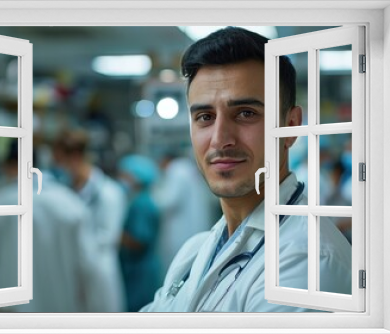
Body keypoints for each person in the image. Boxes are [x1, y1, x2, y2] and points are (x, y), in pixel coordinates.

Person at [141, 27, 352, 312]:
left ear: (290, 128)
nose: (220, 139)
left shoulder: (306, 262)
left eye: (245, 114)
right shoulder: (196, 252)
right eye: (205, 117)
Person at [0, 142, 102, 312]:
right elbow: (89, 264)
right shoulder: (70, 203)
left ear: (10, 166)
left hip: (14, 310)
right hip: (63, 307)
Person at [54, 128, 128, 312]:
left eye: (60, 161)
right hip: (70, 274)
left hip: (99, 273)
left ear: (75, 157)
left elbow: (107, 239)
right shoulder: (64, 191)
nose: (58, 168)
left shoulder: (109, 193)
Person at [154, 150, 219, 274]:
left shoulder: (176, 169)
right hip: (195, 226)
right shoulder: (188, 168)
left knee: (178, 268)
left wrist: (154, 196)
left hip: (180, 230)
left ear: (165, 160)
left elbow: (169, 201)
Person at [117, 154, 162, 312]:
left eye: (125, 175)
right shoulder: (142, 200)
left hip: (141, 272)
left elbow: (139, 242)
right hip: (140, 269)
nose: (121, 178)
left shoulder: (141, 204)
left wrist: (113, 234)